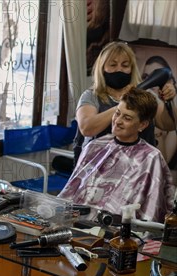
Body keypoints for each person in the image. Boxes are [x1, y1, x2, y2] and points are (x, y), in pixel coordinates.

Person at [59, 87, 175, 222]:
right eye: (117, 113)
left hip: (122, 228)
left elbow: (152, 209)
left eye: (127, 118)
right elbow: (71, 191)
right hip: (80, 221)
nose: (118, 121)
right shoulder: (94, 147)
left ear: (142, 125)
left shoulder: (151, 157)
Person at [73, 41, 176, 165]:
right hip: (99, 168)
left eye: (125, 65)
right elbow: (87, 128)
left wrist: (170, 102)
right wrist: (124, 103)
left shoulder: (146, 96)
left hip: (138, 168)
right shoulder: (91, 96)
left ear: (131, 68)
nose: (119, 69)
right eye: (113, 65)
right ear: (102, 68)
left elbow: (169, 125)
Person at [142, 55, 177, 172]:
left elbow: (164, 161)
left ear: (169, 82)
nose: (150, 83)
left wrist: (155, 128)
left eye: (156, 77)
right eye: (146, 77)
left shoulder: (173, 113)